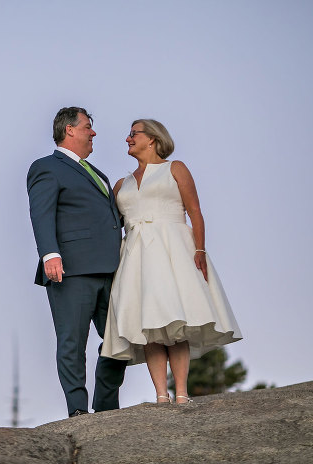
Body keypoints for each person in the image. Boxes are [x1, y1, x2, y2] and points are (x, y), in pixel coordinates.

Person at [101, 119, 242, 404]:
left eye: (133, 134)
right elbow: (110, 225)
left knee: (177, 321)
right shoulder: (120, 184)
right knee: (149, 322)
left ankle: (181, 392)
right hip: (135, 255)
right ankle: (161, 395)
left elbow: (195, 210)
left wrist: (200, 251)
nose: (127, 139)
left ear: (152, 138)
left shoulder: (174, 168)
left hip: (172, 249)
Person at [27, 106, 127, 418]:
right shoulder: (46, 167)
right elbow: (41, 213)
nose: (93, 132)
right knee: (72, 342)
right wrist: (50, 254)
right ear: (69, 130)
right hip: (69, 270)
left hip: (110, 270)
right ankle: (78, 410)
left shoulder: (99, 174)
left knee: (119, 340)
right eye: (87, 127)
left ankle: (106, 407)